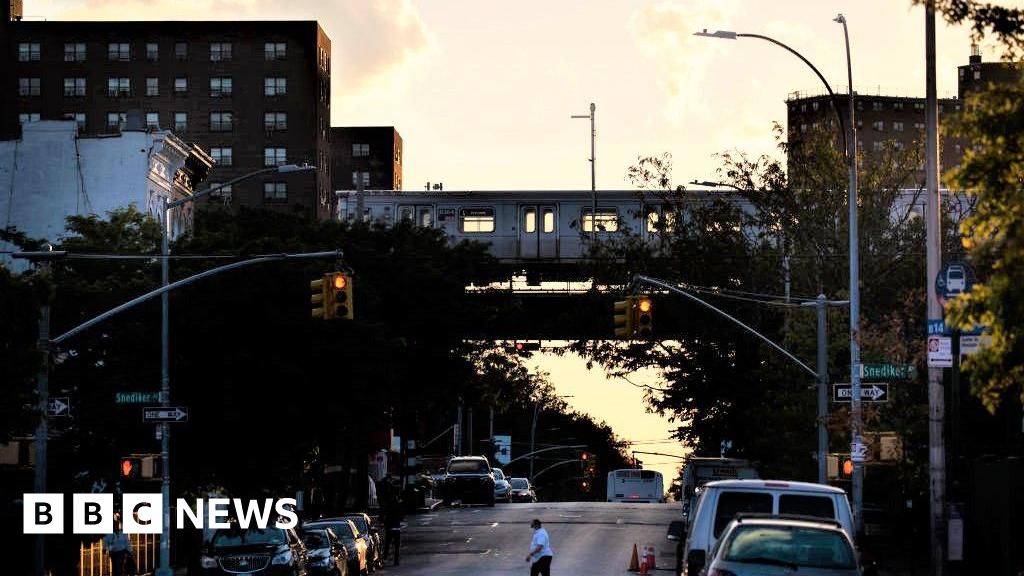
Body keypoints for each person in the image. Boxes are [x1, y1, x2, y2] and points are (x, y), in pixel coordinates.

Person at [382, 495, 404, 566]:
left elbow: (384, 517)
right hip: (397, 528)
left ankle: (385, 559)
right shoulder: (398, 507)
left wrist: (385, 524)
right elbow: (402, 516)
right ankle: (396, 561)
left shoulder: (387, 507)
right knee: (397, 546)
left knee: (387, 545)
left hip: (389, 528)